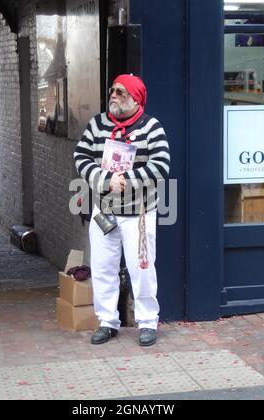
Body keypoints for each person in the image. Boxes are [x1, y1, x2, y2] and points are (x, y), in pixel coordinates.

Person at [74, 74, 170, 346]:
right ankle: (107, 321)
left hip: (138, 213)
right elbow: (81, 156)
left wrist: (127, 180)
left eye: (120, 92)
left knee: (141, 269)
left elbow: (161, 165)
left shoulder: (152, 127)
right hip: (103, 210)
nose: (113, 95)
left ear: (135, 98)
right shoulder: (97, 125)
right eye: (113, 90)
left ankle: (148, 322)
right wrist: (105, 180)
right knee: (103, 267)